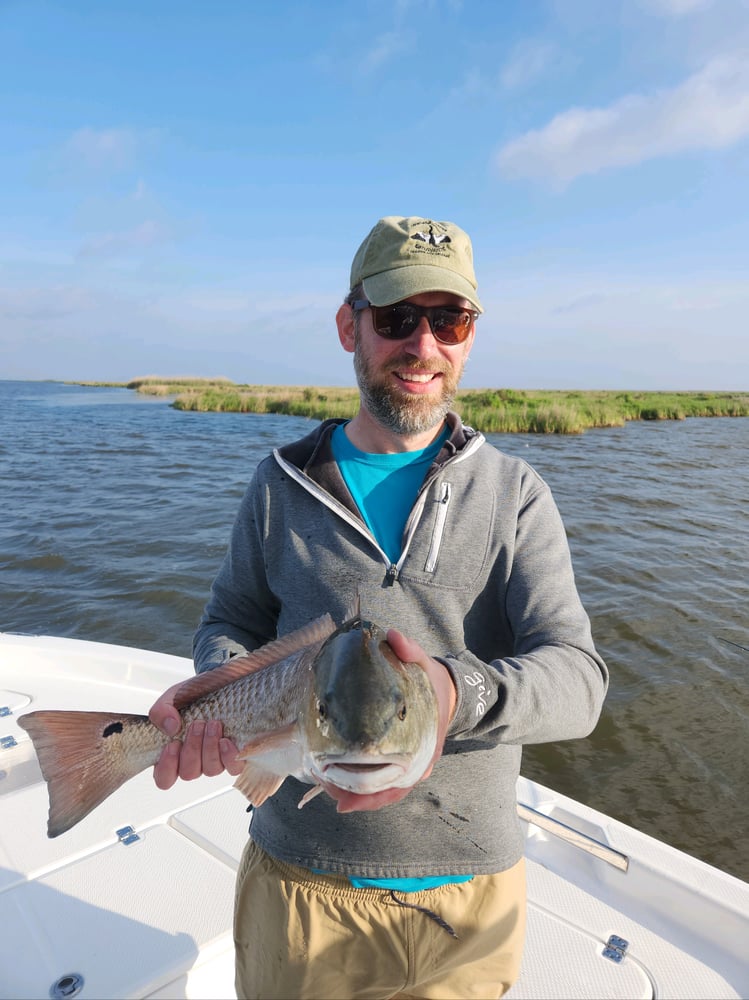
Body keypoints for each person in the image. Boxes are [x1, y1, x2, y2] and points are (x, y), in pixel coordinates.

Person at [149, 215, 608, 999]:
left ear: (469, 335)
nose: (422, 347)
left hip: (469, 897)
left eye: (448, 320)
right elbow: (228, 622)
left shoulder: (515, 493)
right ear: (348, 326)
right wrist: (226, 696)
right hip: (300, 880)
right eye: (396, 319)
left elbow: (578, 680)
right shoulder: (278, 483)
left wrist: (453, 694)